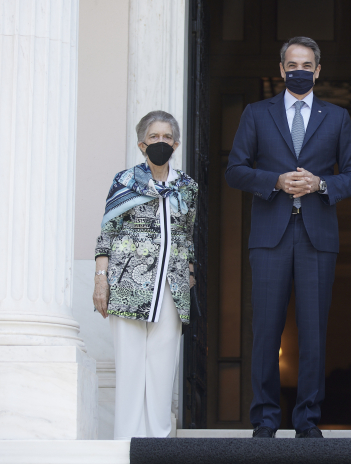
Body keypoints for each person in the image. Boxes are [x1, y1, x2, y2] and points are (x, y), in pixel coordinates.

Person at [226, 36, 351, 439]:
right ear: (281, 69)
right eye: (292, 65)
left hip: (317, 238)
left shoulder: (336, 117)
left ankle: (307, 420)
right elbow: (235, 170)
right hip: (269, 237)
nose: (299, 71)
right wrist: (275, 181)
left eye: (307, 65)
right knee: (266, 331)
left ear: (318, 71)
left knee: (313, 331)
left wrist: (321, 184)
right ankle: (265, 419)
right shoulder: (257, 113)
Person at [92, 111, 198, 439]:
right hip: (128, 284)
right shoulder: (125, 181)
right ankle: (127, 441)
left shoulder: (186, 186)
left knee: (163, 366)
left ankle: (158, 442)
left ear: (176, 144)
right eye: (154, 137)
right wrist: (100, 279)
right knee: (130, 365)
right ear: (142, 144)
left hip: (171, 285)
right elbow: (107, 232)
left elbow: (187, 234)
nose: (160, 142)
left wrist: (190, 272)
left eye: (167, 137)